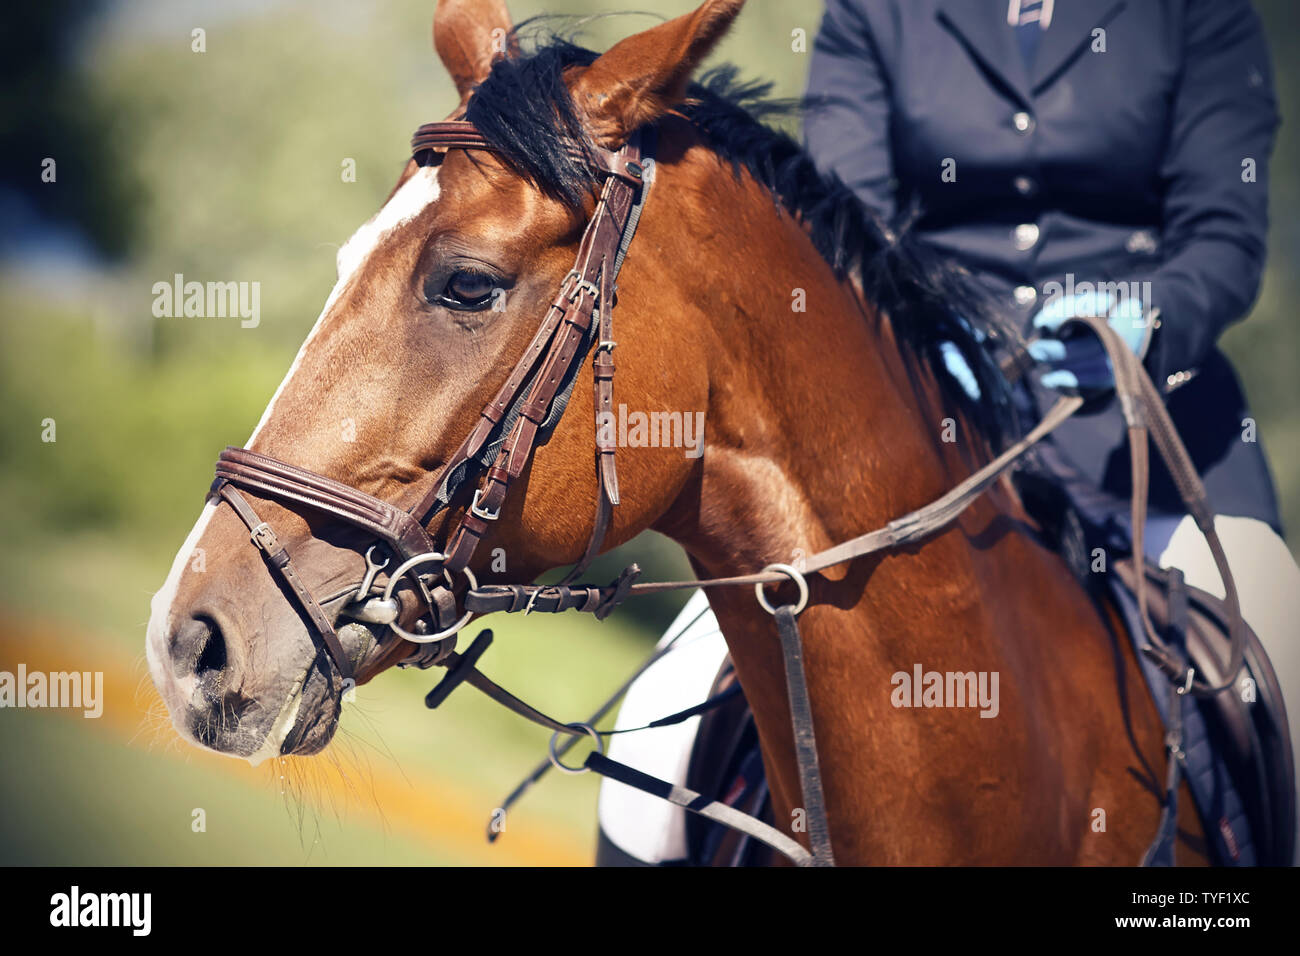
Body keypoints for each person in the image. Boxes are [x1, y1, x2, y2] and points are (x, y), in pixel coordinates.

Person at [595, 0, 1300, 866]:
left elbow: (1225, 234)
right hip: (930, 435)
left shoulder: (1198, 16)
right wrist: (927, 338)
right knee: (657, 723)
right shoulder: (877, 13)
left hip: (1150, 449)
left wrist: (1149, 320)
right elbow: (845, 220)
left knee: (1287, 671)